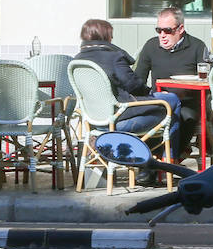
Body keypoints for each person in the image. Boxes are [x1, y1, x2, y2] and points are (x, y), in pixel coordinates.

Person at [75, 18, 182, 164]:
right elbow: (134, 85)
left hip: (95, 122)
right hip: (120, 120)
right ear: (106, 36)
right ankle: (168, 159)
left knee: (163, 102)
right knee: (172, 100)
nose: (112, 38)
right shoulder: (113, 57)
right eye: (110, 35)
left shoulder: (78, 61)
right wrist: (152, 94)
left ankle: (148, 161)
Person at [133, 7, 208, 158]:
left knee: (185, 117)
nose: (162, 35)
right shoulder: (151, 46)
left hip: (187, 101)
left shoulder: (197, 46)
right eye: (158, 30)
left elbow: (206, 81)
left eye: (168, 30)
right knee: (150, 117)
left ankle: (168, 160)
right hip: (158, 100)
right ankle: (149, 164)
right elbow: (138, 79)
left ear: (180, 29)